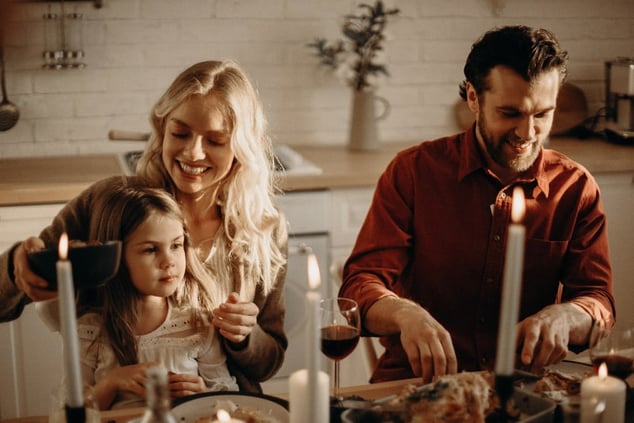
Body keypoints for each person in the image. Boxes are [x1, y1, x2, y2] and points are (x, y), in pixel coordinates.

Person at [339, 25, 615, 384]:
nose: (527, 133)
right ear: (473, 97)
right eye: (510, 113)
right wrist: (404, 313)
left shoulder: (576, 189)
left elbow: (599, 301)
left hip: (522, 389)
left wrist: (565, 316)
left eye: (542, 115)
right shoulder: (413, 173)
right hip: (418, 385)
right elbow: (360, 284)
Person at [0, 60, 288, 393]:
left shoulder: (263, 229)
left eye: (215, 140)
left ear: (241, 147)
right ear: (162, 128)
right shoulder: (112, 204)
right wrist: (17, 267)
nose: (194, 152)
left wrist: (245, 336)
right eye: (180, 133)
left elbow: (269, 364)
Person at [76, 184, 238, 409]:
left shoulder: (198, 323)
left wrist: (202, 394)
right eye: (151, 250)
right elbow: (71, 411)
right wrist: (111, 383)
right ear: (115, 257)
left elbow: (228, 397)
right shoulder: (91, 330)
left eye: (176, 245)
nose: (169, 261)